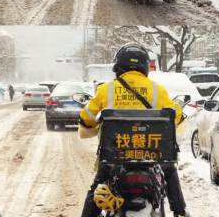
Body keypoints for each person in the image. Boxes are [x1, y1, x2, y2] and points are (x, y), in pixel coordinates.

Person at [78, 43, 189, 217]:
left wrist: (91, 125)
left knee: (97, 187)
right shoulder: (157, 90)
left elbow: (86, 118)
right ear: (145, 66)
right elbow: (175, 117)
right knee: (170, 173)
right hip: (152, 156)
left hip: (115, 157)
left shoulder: (105, 90)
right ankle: (181, 212)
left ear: (118, 66)